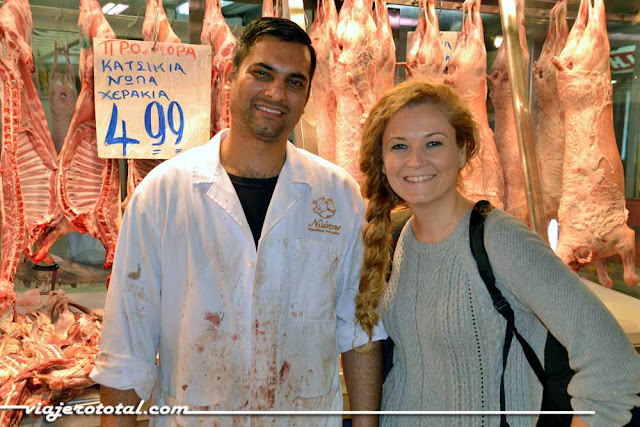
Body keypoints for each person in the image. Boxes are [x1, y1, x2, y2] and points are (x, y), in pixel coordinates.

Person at [90, 17, 386, 427]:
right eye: (261, 73)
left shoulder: (338, 196)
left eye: (294, 82)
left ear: (306, 96)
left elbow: (360, 331)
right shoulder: (161, 195)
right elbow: (126, 352)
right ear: (231, 76)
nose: (276, 93)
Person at [354, 80, 640, 427]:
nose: (415, 160)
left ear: (462, 152)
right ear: (382, 162)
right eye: (399, 146)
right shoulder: (394, 239)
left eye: (433, 143)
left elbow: (613, 362)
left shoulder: (500, 239)